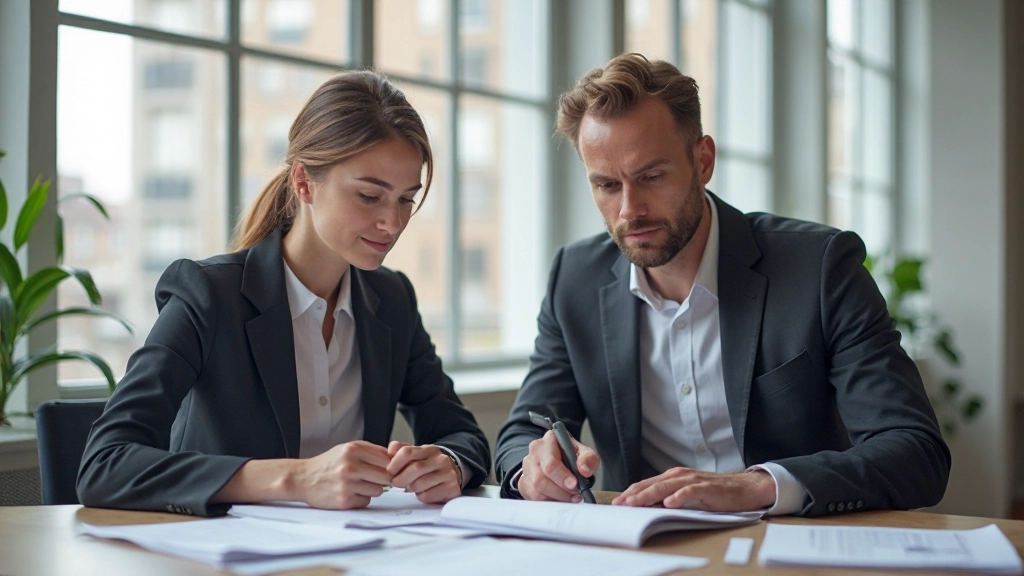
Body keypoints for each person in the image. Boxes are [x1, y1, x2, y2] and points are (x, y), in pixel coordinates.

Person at [494, 53, 950, 517]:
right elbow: (521, 435)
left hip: (786, 543)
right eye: (608, 185)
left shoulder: (819, 267)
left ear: (703, 160)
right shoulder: (574, 277)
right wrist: (533, 468)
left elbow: (915, 451)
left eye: (651, 177)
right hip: (641, 549)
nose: (631, 210)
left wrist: (758, 485)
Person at [77, 70, 490, 517]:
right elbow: (104, 464)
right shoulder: (209, 296)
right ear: (304, 182)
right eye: (370, 196)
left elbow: (462, 436)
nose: (393, 223)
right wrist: (297, 478)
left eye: (406, 199)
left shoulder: (391, 300)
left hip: (354, 556)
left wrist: (448, 463)